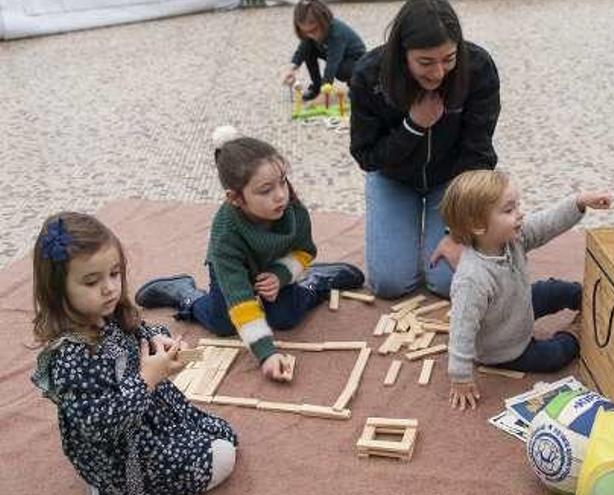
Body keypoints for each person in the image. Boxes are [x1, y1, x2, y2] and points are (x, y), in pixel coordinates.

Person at [30, 212, 238, 494]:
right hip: (123, 448)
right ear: (58, 290)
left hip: (152, 417)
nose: (109, 288)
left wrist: (158, 343)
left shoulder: (106, 311)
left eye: (115, 273)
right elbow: (99, 424)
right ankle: (113, 485)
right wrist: (147, 379)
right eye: (91, 282)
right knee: (223, 455)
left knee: (224, 435)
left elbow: (139, 331)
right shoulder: (70, 357)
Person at [135, 126, 364, 381]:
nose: (280, 195)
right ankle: (185, 294)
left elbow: (305, 250)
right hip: (233, 271)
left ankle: (316, 282)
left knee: (286, 317)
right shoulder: (226, 234)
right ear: (236, 198)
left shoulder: (293, 209)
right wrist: (266, 353)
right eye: (265, 190)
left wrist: (281, 275)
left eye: (282, 181)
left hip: (275, 266)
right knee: (223, 323)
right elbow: (241, 300)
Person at [349, 0, 501, 300]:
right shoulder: (369, 74)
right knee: (389, 284)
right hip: (393, 178)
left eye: (449, 58)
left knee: (448, 282)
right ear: (401, 53)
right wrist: (413, 126)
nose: (439, 73)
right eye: (426, 62)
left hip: (451, 183)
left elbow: (478, 155)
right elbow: (366, 156)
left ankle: (431, 234)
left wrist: (455, 232)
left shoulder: (478, 67)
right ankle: (403, 236)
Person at [440, 170, 613, 410]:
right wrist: (460, 376)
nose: (520, 214)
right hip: (504, 349)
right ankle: (577, 332)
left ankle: (589, 301)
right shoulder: (472, 279)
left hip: (517, 304)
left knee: (554, 290)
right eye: (509, 210)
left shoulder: (513, 237)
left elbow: (547, 223)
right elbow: (461, 331)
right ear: (478, 225)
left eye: (517, 206)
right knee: (553, 358)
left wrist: (579, 202)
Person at [281, 0, 366, 101]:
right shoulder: (312, 35)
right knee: (308, 49)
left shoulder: (337, 34)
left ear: (324, 22)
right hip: (336, 56)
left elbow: (332, 64)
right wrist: (292, 68)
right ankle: (317, 86)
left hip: (355, 60)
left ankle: (356, 85)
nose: (310, 35)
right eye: (305, 32)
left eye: (313, 30)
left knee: (341, 69)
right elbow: (302, 49)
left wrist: (324, 93)